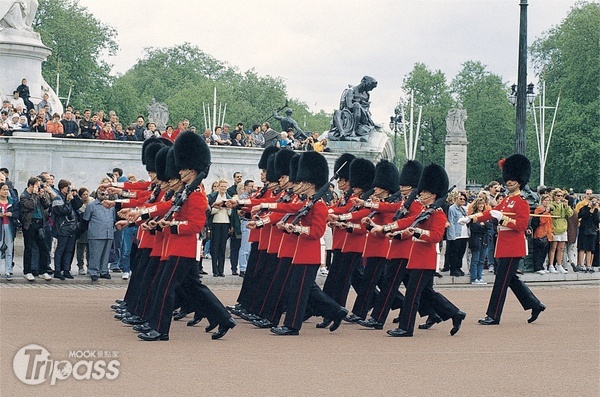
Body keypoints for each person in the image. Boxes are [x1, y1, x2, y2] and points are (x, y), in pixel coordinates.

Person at [459, 154, 546, 326]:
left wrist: (504, 219)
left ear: (519, 181)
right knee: (510, 279)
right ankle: (535, 305)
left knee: (501, 282)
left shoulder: (522, 202)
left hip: (513, 247)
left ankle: (493, 315)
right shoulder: (506, 200)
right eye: (508, 179)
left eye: (513, 179)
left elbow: (521, 226)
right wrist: (472, 218)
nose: (509, 182)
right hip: (503, 246)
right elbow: (490, 213)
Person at [387, 163, 466, 337]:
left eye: (423, 192)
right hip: (416, 258)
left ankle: (406, 327)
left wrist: (418, 232)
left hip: (425, 259)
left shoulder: (437, 214)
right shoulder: (424, 211)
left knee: (412, 295)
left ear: (431, 194)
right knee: (426, 293)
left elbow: (436, 236)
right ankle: (455, 313)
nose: (420, 194)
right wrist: (392, 230)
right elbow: (408, 223)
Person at [19, 176, 52, 281]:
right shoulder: (24, 195)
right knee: (28, 248)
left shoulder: (38, 195)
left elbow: (47, 205)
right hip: (29, 224)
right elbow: (30, 206)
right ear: (31, 185)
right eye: (37, 186)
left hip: (40, 224)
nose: (38, 188)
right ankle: (27, 271)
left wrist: (42, 196)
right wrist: (34, 195)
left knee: (44, 248)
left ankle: (43, 271)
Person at [51, 179, 82, 280]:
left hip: (72, 228)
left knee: (69, 250)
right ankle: (57, 270)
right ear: (62, 187)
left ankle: (66, 269)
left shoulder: (69, 197)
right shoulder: (57, 198)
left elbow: (78, 205)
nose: (68, 189)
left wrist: (75, 196)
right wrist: (68, 201)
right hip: (62, 228)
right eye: (67, 187)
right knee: (60, 249)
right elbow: (63, 211)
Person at [83, 188, 115, 281]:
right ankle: (93, 271)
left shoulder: (111, 206)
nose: (105, 197)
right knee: (95, 254)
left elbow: (113, 218)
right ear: (97, 194)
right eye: (102, 194)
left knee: (106, 254)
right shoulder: (91, 206)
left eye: (106, 195)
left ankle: (104, 271)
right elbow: (86, 220)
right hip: (96, 233)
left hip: (108, 233)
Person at [207, 179, 231, 277]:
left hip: (225, 223)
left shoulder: (228, 197)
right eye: (222, 186)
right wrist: (217, 208)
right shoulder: (213, 197)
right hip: (215, 223)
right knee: (215, 246)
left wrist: (228, 209)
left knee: (222, 247)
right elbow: (208, 211)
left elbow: (230, 214)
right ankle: (215, 270)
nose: (223, 188)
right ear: (218, 187)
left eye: (225, 186)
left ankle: (221, 270)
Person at [547, 189, 573, 274]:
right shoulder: (552, 205)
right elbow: (553, 213)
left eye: (561, 196)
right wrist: (558, 205)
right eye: (558, 196)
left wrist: (567, 206)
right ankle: (551, 265)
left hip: (563, 227)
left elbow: (570, 214)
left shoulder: (564, 205)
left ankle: (559, 265)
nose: (560, 197)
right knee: (553, 248)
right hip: (555, 227)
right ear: (554, 196)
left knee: (561, 248)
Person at [446, 191, 470, 277]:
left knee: (460, 253)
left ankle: (458, 267)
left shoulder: (463, 209)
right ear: (456, 199)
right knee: (454, 253)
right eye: (461, 199)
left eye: (464, 199)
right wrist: (452, 235)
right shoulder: (452, 208)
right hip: (456, 234)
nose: (463, 200)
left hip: (464, 233)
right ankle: (453, 268)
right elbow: (451, 221)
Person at [468, 197, 491, 284]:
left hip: (485, 239)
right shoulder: (473, 215)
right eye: (479, 204)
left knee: (482, 260)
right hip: (476, 239)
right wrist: (484, 225)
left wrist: (483, 224)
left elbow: (489, 226)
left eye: (482, 204)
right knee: (475, 259)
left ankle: (479, 276)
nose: (481, 206)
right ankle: (474, 278)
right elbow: (475, 228)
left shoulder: (486, 215)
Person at [0, 181, 20, 280]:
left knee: (9, 249)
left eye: (7, 189)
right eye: (3, 189)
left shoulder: (12, 201)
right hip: (0, 226)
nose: (5, 191)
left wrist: (11, 214)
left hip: (9, 226)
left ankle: (8, 270)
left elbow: (18, 213)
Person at [531, 194, 553, 274]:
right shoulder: (538, 210)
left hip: (547, 232)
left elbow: (550, 223)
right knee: (538, 251)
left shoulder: (548, 210)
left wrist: (551, 232)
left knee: (544, 251)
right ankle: (537, 267)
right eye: (545, 200)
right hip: (540, 232)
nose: (547, 202)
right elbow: (541, 221)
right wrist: (546, 213)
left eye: (548, 201)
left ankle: (541, 266)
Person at [577, 196, 599, 272]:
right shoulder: (584, 208)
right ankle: (581, 264)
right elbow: (581, 216)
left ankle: (588, 264)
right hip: (584, 230)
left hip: (592, 231)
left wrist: (594, 210)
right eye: (592, 201)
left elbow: (597, 220)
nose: (594, 203)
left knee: (590, 248)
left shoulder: (596, 210)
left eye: (595, 201)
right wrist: (589, 210)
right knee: (582, 248)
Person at [75, 187, 91, 275]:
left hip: (90, 229)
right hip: (81, 229)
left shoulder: (91, 203)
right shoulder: (79, 205)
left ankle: (89, 266)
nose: (85, 196)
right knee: (80, 249)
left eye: (86, 194)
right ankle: (80, 266)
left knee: (89, 249)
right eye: (83, 195)